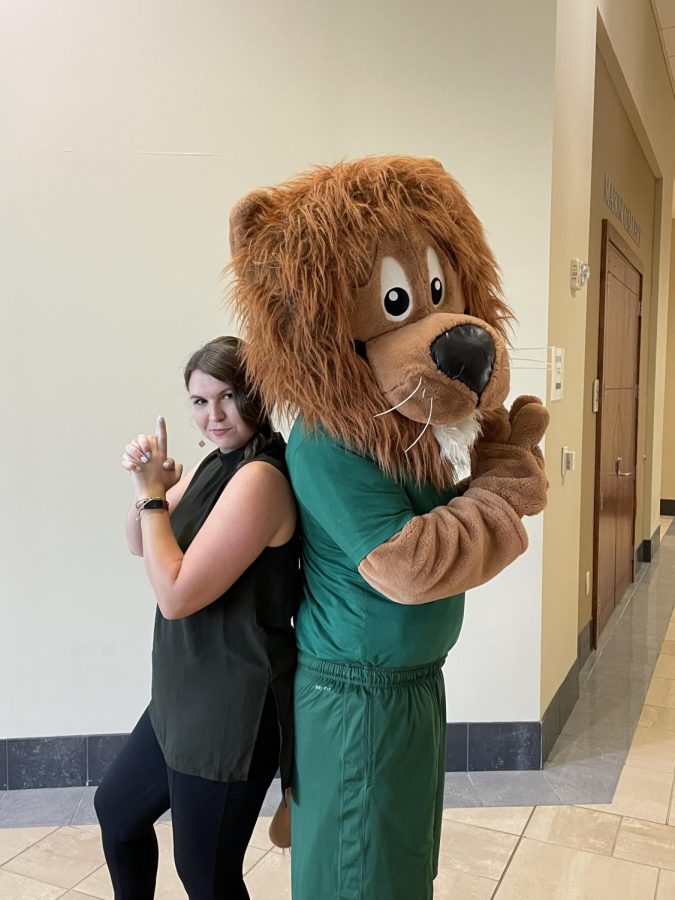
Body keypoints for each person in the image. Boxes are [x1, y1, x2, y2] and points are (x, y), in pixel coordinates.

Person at [94, 335, 300, 900]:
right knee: (116, 811)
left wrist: (153, 495)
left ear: (258, 394)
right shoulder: (218, 464)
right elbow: (141, 542)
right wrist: (151, 489)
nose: (213, 415)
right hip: (183, 694)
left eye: (229, 396)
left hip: (231, 705)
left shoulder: (259, 477)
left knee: (205, 875)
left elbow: (176, 594)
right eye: (199, 401)